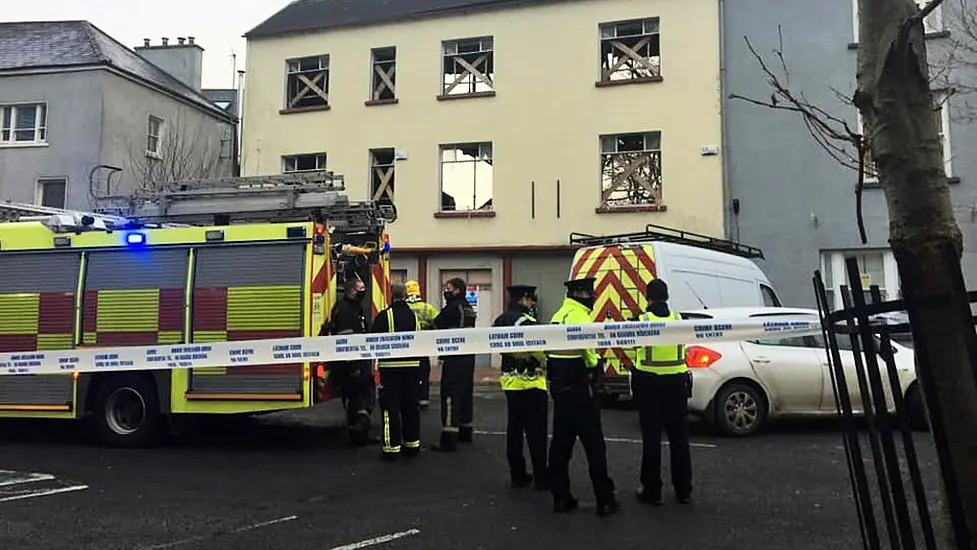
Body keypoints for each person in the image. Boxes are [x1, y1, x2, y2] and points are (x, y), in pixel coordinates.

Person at [546, 277, 620, 516]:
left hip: (558, 385)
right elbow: (588, 351)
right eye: (590, 294)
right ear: (582, 294)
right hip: (579, 385)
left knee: (560, 444)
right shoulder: (581, 317)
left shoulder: (558, 314)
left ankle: (560, 497)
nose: (593, 297)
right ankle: (605, 499)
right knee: (594, 445)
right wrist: (595, 365)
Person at [632, 278, 693, 505]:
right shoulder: (679, 320)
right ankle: (683, 490)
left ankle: (651, 490)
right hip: (677, 383)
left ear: (648, 297)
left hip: (649, 383)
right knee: (679, 439)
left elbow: (634, 345)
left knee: (652, 438)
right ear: (667, 297)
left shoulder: (641, 320)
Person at [493, 284, 549, 490]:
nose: (532, 304)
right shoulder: (528, 322)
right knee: (536, 433)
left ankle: (517, 475)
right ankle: (541, 477)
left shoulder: (500, 320)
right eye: (531, 300)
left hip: (510, 382)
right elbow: (541, 351)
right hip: (531, 382)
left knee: (514, 430)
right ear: (524, 300)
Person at [370, 282, 424, 462]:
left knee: (390, 408)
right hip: (412, 368)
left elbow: (373, 339)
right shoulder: (413, 316)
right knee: (410, 407)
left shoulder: (385, 316)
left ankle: (391, 448)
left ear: (391, 296)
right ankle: (412, 444)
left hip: (391, 370)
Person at [325, 275, 377, 446]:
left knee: (358, 396)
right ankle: (359, 432)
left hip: (355, 359)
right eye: (361, 288)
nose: (364, 291)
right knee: (359, 397)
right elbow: (347, 339)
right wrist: (353, 365)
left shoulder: (353, 307)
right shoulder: (346, 310)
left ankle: (360, 435)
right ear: (352, 291)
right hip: (351, 361)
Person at [431, 277, 477, 452]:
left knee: (450, 395)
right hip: (468, 357)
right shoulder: (468, 307)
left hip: (454, 357)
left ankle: (448, 439)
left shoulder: (453, 307)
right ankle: (465, 431)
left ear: (457, 290)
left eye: (448, 288)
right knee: (465, 394)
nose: (446, 291)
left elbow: (437, 323)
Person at [405, 280, 439, 410]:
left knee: (409, 375)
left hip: (407, 348)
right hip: (423, 348)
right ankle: (423, 399)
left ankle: (410, 398)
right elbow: (438, 323)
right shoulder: (427, 308)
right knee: (423, 374)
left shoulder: (404, 308)